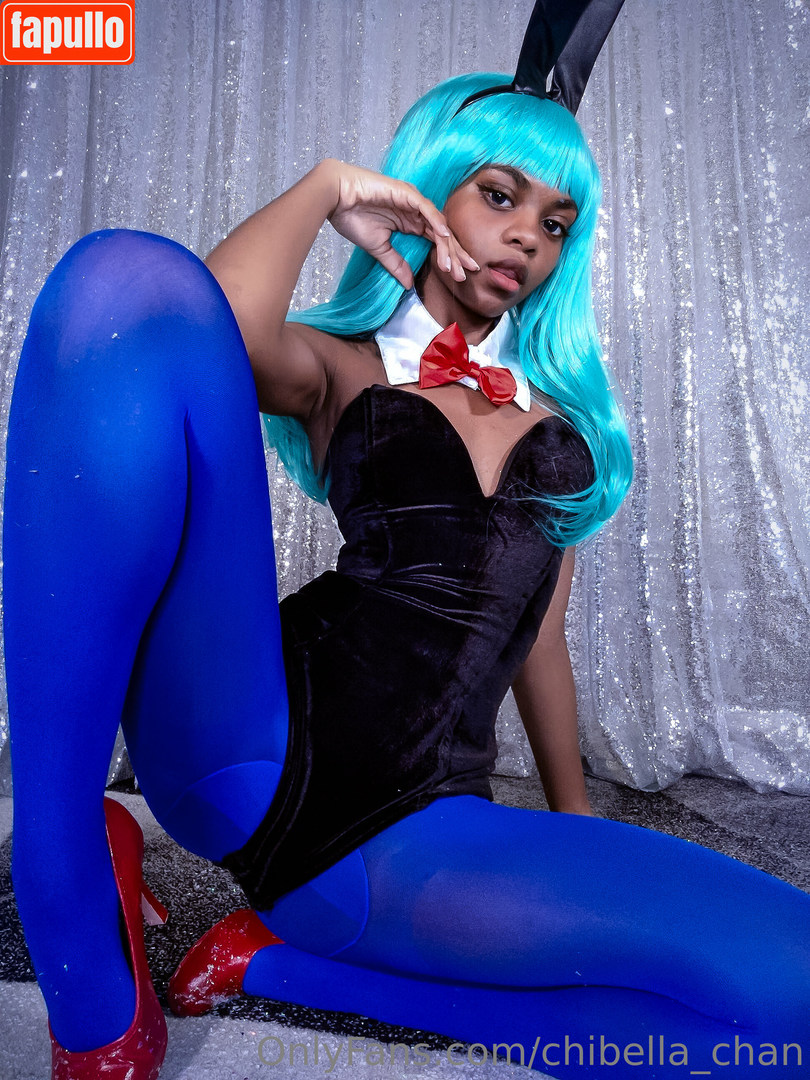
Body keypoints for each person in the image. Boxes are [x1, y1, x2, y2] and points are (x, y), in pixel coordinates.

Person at [3, 14, 809, 1080]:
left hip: (420, 825)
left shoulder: (564, 426)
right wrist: (326, 188)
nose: (527, 238)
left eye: (555, 221)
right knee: (123, 276)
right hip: (250, 744)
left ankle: (276, 966)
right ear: (429, 189)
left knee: (791, 1009)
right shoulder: (340, 366)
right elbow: (190, 325)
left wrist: (577, 830)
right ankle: (62, 875)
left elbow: (540, 639)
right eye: (499, 195)